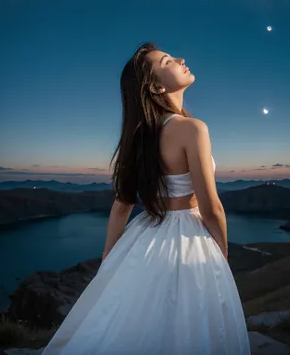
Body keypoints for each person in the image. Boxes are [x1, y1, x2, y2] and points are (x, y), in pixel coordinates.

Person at [42, 42, 251, 355]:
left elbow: (120, 208)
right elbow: (211, 209)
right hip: (188, 241)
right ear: (156, 87)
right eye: (168, 60)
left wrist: (109, 267)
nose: (181, 59)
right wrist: (221, 256)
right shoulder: (194, 129)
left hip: (146, 237)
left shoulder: (139, 137)